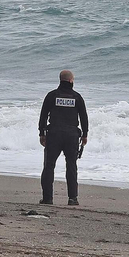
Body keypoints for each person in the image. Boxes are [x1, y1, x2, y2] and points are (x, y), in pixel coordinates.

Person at [38, 69, 89, 206]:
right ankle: (72, 198)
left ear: (60, 80)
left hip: (54, 134)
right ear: (71, 81)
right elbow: (83, 117)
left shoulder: (52, 96)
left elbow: (43, 116)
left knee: (49, 166)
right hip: (71, 136)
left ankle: (47, 198)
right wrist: (85, 135)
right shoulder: (77, 97)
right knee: (71, 166)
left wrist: (42, 133)